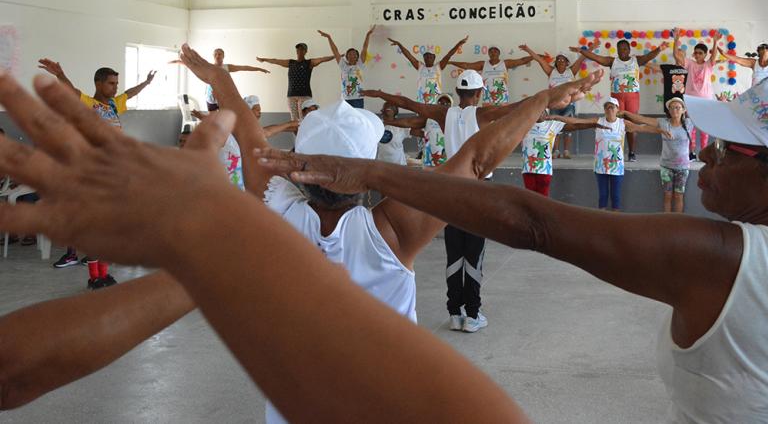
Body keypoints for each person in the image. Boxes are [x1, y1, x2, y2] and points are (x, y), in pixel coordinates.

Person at [267, 70, 768, 423]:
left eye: (728, 149)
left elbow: (535, 224)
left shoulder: (725, 256)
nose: (707, 154)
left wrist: (370, 174)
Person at [0, 68, 531, 423]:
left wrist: (220, 80)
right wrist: (543, 103)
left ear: (300, 164)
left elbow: (252, 140)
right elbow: (477, 160)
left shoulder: (272, 217)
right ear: (366, 169)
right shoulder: (393, 232)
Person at [363, 68, 597, 333]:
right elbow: (518, 107)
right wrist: (550, 97)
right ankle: (472, 314)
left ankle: (454, 313)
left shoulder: (443, 114)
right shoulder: (483, 114)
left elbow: (408, 104)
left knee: (454, 253)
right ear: (478, 93)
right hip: (478, 190)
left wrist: (378, 93)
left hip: (448, 189)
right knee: (473, 253)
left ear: (459, 92)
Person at [37, 58, 156, 287]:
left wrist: (147, 83)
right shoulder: (88, 105)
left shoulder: (113, 106)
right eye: (111, 83)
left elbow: (129, 94)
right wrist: (60, 75)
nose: (115, 87)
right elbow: (71, 92)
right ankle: (94, 278)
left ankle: (104, 274)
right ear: (99, 83)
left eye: (116, 83)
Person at [570, 39, 667, 161]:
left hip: (633, 97)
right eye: (620, 49)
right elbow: (596, 57)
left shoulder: (636, 60)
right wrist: (581, 51)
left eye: (625, 49)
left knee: (631, 123)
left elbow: (649, 56)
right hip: (617, 97)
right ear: (617, 50)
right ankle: (618, 150)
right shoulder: (612, 61)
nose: (622, 51)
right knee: (616, 123)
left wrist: (659, 49)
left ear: (629, 50)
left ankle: (632, 152)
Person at [591, 98, 662, 211]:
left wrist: (660, 131)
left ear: (617, 109)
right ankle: (601, 222)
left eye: (612, 107)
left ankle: (616, 223)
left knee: (616, 196)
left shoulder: (623, 123)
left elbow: (642, 128)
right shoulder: (598, 122)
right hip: (601, 166)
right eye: (607, 107)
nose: (610, 109)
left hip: (616, 166)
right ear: (604, 109)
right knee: (602, 196)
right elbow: (577, 123)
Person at [623, 98, 693, 213]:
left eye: (677, 107)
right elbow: (642, 119)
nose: (675, 110)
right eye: (672, 107)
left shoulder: (689, 123)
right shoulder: (663, 123)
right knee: (667, 195)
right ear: (669, 110)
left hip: (683, 167)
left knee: (679, 196)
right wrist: (626, 113)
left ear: (683, 110)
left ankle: (678, 222)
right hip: (666, 166)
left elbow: (704, 117)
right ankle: (666, 222)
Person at [520, 45, 584, 157]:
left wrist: (588, 49)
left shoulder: (571, 71)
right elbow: (539, 60)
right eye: (558, 59)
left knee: (568, 127)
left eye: (563, 60)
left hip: (569, 105)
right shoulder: (551, 71)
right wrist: (528, 49)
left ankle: (566, 151)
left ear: (567, 62)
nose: (560, 61)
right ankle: (556, 151)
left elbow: (581, 59)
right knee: (554, 128)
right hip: (554, 105)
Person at [521, 110, 601, 197]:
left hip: (544, 169)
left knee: (542, 199)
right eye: (537, 111)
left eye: (542, 111)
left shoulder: (552, 125)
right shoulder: (524, 124)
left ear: (546, 114)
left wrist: (592, 124)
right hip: (528, 169)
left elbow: (575, 126)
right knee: (528, 198)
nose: (540, 113)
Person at [256, 42, 336, 120]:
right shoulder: (291, 63)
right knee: (294, 120)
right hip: (291, 96)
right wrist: (264, 60)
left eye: (302, 49)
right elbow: (276, 61)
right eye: (298, 49)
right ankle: (297, 134)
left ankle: (305, 133)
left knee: (305, 118)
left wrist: (336, 55)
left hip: (304, 95)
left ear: (305, 51)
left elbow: (322, 59)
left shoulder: (309, 63)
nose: (299, 51)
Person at [673, 32, 721, 155]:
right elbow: (676, 56)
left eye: (701, 53)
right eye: (696, 52)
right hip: (690, 101)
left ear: (705, 54)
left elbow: (714, 55)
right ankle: (692, 152)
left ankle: (703, 152)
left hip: (705, 101)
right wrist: (676, 39)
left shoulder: (708, 65)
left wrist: (715, 41)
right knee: (691, 127)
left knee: (704, 128)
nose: (698, 55)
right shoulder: (690, 63)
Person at [176, 48, 269, 111]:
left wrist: (259, 69)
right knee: (213, 121)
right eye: (215, 54)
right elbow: (194, 66)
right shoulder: (209, 66)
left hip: (223, 98)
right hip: (210, 98)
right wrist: (180, 62)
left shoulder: (227, 67)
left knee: (223, 120)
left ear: (223, 56)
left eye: (220, 54)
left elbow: (244, 67)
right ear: (213, 56)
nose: (217, 55)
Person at [445, 44, 533, 106]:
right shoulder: (483, 64)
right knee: (488, 124)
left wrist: (536, 57)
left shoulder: (505, 63)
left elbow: (522, 61)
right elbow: (467, 65)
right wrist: (450, 62)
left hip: (502, 99)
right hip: (488, 99)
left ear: (499, 53)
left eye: (495, 51)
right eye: (490, 51)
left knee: (501, 122)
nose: (493, 52)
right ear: (488, 54)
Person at [386, 36, 465, 103]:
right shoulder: (420, 67)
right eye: (426, 56)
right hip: (421, 100)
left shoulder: (438, 67)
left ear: (434, 58)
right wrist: (399, 45)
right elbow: (408, 55)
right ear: (423, 58)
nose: (428, 58)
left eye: (430, 56)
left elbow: (448, 55)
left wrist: (459, 44)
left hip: (436, 100)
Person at [318, 26, 375, 108]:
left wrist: (368, 35)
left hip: (358, 98)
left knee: (356, 118)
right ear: (347, 56)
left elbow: (364, 48)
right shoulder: (343, 65)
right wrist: (329, 37)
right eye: (350, 54)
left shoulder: (360, 64)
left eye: (354, 54)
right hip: (345, 98)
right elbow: (335, 51)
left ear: (357, 56)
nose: (352, 55)